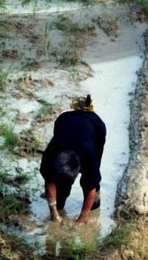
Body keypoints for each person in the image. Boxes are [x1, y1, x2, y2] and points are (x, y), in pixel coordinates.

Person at [41, 94, 106, 224]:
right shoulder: (51, 153)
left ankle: (93, 206)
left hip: (95, 132)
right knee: (60, 194)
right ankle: (60, 199)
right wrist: (54, 212)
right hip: (66, 125)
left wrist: (82, 218)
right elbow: (49, 181)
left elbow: (90, 188)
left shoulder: (89, 157)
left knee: (92, 180)